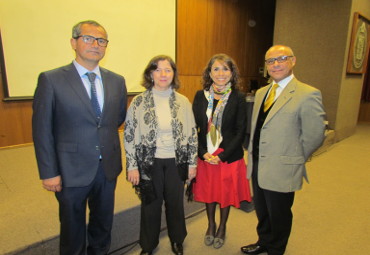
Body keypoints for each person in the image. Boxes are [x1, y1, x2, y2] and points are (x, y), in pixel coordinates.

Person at [32, 20, 127, 255]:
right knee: (72, 229)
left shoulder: (117, 81)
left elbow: (116, 119)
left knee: (103, 224)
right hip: (69, 170)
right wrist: (49, 172)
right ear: (73, 42)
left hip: (107, 168)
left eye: (101, 40)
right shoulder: (51, 79)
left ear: (106, 46)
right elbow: (42, 130)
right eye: (88, 38)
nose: (95, 44)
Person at [240, 45, 326, 255]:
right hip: (259, 163)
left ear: (293, 61)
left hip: (283, 166)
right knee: (262, 210)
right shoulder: (261, 92)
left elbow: (315, 134)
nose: (276, 64)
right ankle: (264, 241)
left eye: (281, 59)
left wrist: (295, 158)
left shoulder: (307, 93)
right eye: (271, 61)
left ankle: (276, 250)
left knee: (279, 213)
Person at [124, 55, 197, 255]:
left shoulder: (182, 101)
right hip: (149, 162)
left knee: (175, 203)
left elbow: (192, 133)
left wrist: (192, 164)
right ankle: (148, 245)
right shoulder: (139, 102)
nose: (163, 74)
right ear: (150, 73)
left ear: (174, 74)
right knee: (150, 205)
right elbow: (129, 135)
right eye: (158, 69)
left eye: (168, 70)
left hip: (176, 161)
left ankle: (177, 240)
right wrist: (132, 165)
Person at [192, 54, 252, 249]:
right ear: (209, 73)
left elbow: (240, 130)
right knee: (210, 193)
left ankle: (223, 227)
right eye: (216, 69)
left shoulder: (238, 97)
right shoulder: (201, 96)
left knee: (225, 194)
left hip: (228, 156)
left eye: (225, 69)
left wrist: (222, 155)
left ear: (232, 73)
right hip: (206, 155)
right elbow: (194, 129)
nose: (221, 73)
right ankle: (211, 224)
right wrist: (202, 153)